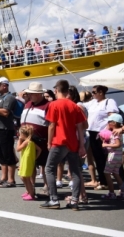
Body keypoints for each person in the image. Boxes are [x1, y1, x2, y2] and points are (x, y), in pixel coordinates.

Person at [40, 80, 86, 210]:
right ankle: (75, 200)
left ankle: (54, 199)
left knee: (49, 168)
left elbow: (51, 125)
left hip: (59, 141)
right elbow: (80, 128)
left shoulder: (54, 105)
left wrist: (49, 142)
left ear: (56, 90)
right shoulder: (74, 106)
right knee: (75, 170)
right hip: (73, 142)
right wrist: (81, 145)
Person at [86, 84, 118, 189]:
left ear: (101, 93)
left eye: (94, 92)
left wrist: (107, 130)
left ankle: (119, 181)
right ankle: (103, 181)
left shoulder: (109, 101)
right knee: (98, 157)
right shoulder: (93, 102)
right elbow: (81, 105)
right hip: (92, 131)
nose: (92, 94)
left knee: (108, 158)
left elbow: (112, 117)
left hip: (103, 133)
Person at [21, 82, 50, 191]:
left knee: (45, 164)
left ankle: (47, 186)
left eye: (31, 94)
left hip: (41, 139)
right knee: (30, 164)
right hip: (28, 140)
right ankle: (31, 187)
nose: (29, 95)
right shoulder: (28, 104)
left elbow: (50, 124)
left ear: (38, 94)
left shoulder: (47, 105)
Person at [100, 114, 124, 199]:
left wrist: (106, 145)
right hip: (118, 156)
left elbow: (117, 144)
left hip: (113, 156)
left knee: (107, 173)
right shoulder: (117, 132)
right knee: (115, 173)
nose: (107, 123)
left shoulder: (115, 133)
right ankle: (123, 192)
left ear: (114, 123)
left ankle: (111, 193)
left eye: (109, 122)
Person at [17, 125, 41, 200]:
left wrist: (19, 140)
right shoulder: (31, 142)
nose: (19, 136)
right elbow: (39, 150)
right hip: (26, 162)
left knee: (26, 178)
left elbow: (18, 149)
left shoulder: (26, 142)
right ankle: (28, 191)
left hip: (26, 162)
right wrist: (34, 157)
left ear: (24, 134)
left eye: (20, 134)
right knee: (23, 177)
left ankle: (31, 194)